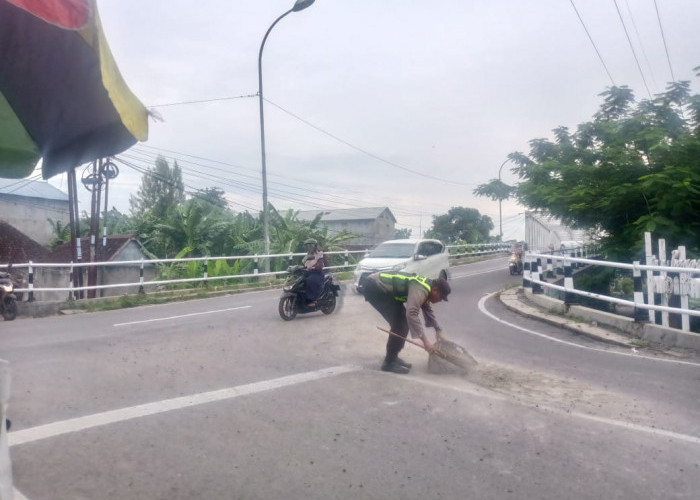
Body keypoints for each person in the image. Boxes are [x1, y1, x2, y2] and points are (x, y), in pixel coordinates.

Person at [363, 271, 451, 374]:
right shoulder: (421, 289)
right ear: (435, 290)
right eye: (441, 297)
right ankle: (389, 362)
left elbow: (427, 309)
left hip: (383, 289)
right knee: (400, 323)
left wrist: (438, 330)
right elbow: (412, 314)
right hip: (375, 287)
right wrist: (425, 342)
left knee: (402, 323)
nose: (440, 300)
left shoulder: (428, 288)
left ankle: (393, 357)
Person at [302, 238, 326, 305]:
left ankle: (313, 299)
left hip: (317, 272)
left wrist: (314, 267)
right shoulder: (307, 254)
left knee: (310, 280)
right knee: (299, 280)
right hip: (308, 272)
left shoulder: (319, 254)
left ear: (315, 246)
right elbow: (304, 262)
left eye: (311, 245)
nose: (309, 247)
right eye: (308, 246)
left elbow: (320, 264)